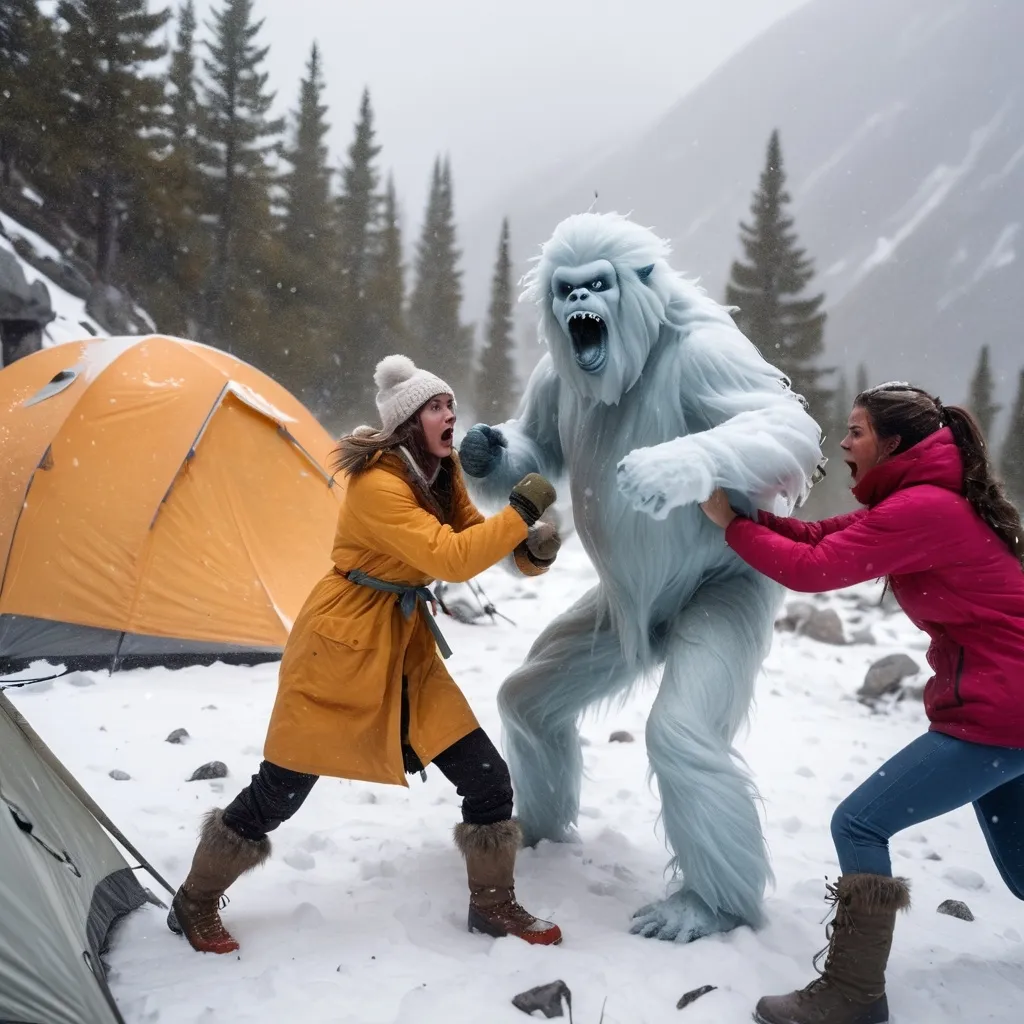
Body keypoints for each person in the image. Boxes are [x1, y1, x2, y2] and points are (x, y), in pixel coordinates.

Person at [167, 354, 565, 955]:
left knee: (486, 776)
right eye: (437, 406)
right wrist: (520, 514)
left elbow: (468, 537)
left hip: (405, 650)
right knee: (281, 789)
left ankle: (492, 906)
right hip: (342, 645)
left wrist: (527, 551)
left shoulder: (441, 468)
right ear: (408, 421)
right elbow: (450, 559)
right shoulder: (379, 485)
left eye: (451, 403)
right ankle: (194, 902)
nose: (450, 413)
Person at [699, 382, 1024, 1024]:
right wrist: (749, 517)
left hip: (1001, 712)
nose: (844, 443)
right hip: (1005, 710)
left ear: (894, 443)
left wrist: (732, 527)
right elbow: (820, 536)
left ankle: (853, 994)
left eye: (856, 432)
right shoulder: (921, 502)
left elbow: (813, 570)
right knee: (1020, 870)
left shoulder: (924, 509)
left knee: (860, 823)